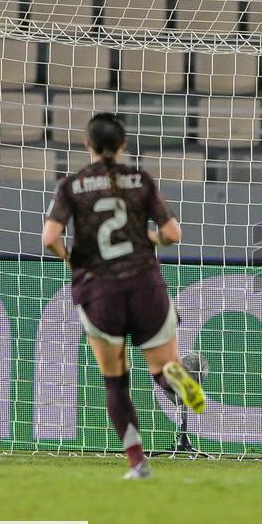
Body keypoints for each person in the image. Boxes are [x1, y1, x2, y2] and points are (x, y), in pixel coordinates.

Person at [42, 112, 206, 480]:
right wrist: (148, 239)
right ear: (123, 145)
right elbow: (172, 234)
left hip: (100, 291)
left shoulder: (72, 186)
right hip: (145, 285)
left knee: (116, 380)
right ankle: (178, 379)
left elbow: (50, 238)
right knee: (162, 366)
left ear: (87, 144)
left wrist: (73, 261)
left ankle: (137, 462)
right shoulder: (140, 181)